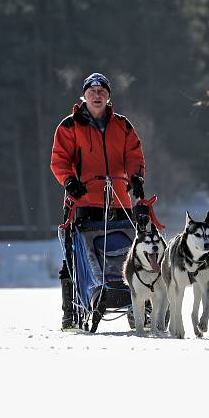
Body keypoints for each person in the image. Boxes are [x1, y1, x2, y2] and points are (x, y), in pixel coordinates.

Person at [51, 72, 148, 329]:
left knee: (131, 252)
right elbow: (60, 160)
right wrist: (69, 180)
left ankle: (137, 302)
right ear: (84, 95)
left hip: (119, 200)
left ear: (108, 97)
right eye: (92, 91)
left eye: (102, 92)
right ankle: (70, 312)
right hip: (83, 199)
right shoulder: (69, 126)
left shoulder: (123, 126)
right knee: (74, 256)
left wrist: (136, 177)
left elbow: (134, 154)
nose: (97, 95)